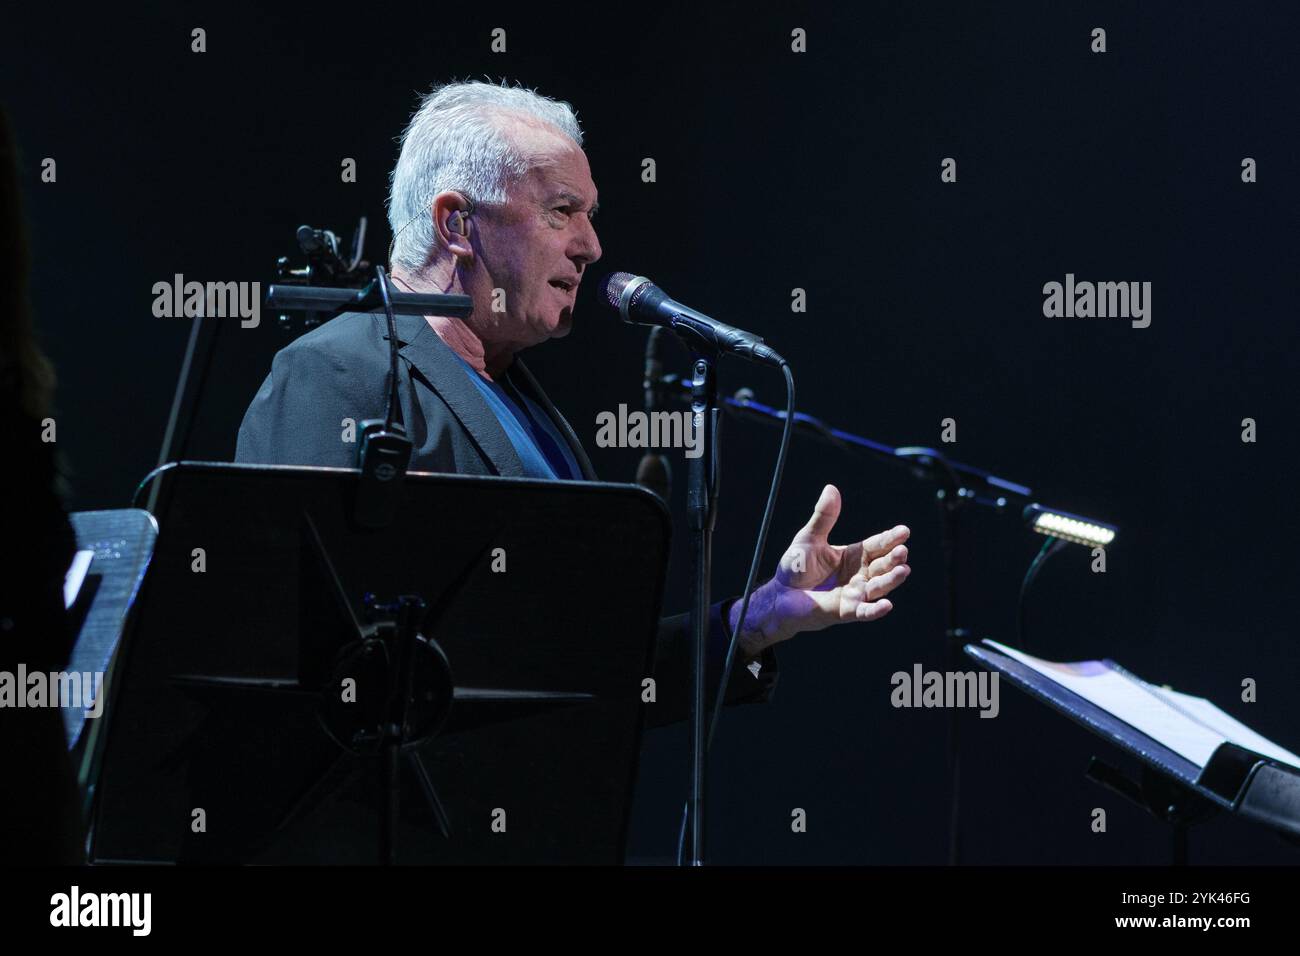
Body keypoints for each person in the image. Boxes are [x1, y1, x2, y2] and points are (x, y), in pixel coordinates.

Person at [236, 80, 912, 726]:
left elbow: (585, 673)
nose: (591, 246)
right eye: (561, 211)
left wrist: (756, 622)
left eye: (589, 215)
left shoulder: (528, 405)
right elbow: (296, 663)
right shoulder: (337, 372)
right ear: (456, 223)